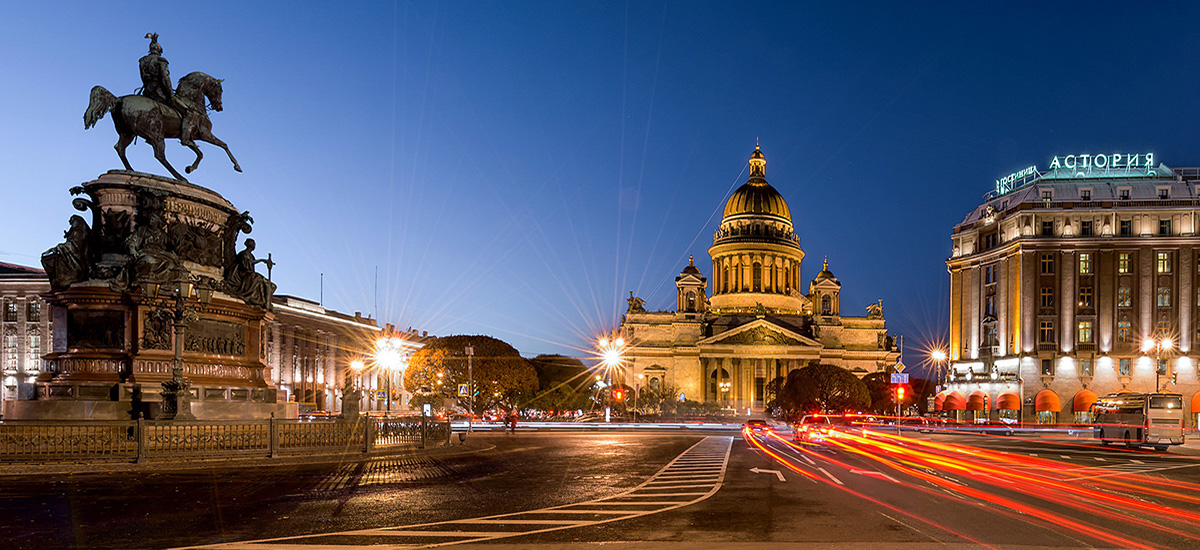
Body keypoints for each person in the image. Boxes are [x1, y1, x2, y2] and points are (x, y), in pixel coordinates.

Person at [138, 33, 199, 147]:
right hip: (160, 92)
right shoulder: (161, 60)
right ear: (159, 50)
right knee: (188, 112)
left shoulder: (142, 61)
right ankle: (186, 139)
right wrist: (169, 91)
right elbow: (165, 78)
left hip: (148, 92)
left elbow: (142, 77)